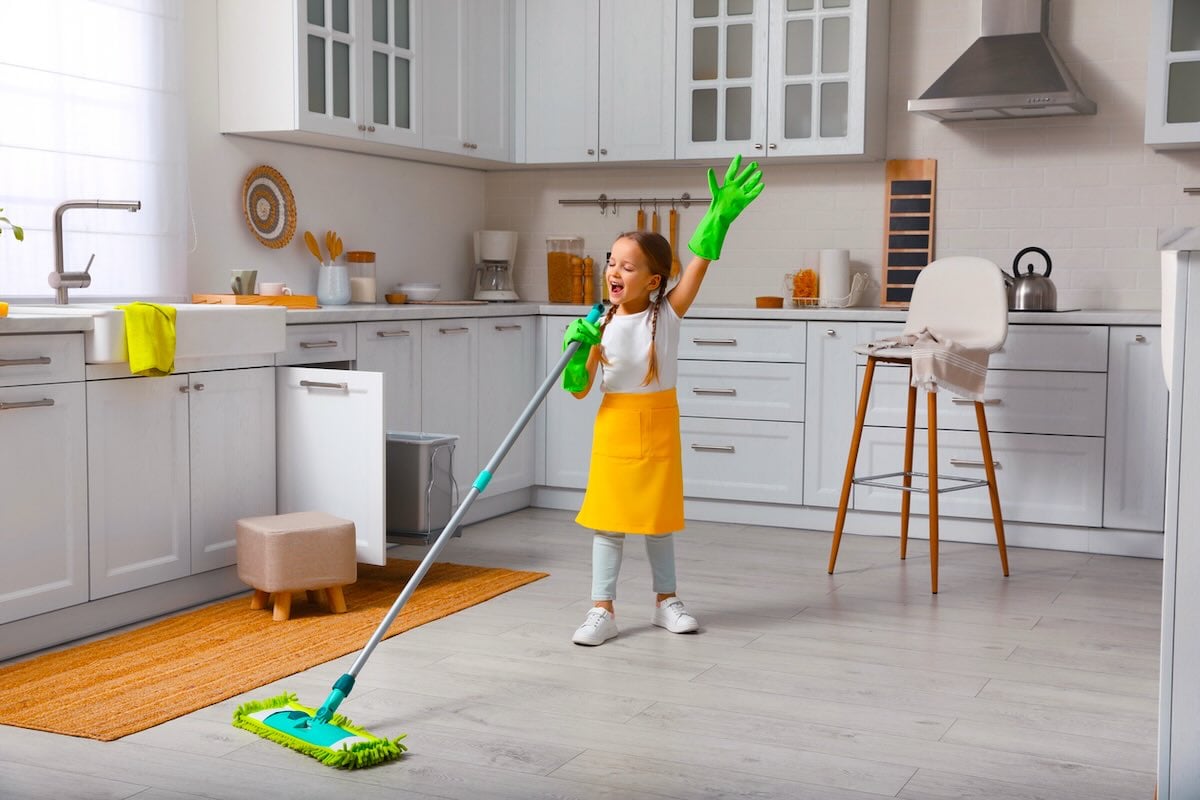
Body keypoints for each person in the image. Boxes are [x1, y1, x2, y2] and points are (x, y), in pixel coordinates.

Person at [561, 155, 764, 646]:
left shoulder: (667, 315)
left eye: (627, 266)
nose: (614, 269)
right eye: (611, 261)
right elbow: (578, 388)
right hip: (613, 428)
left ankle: (665, 602)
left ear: (653, 280)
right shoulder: (599, 323)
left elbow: (697, 266)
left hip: (657, 428)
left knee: (657, 522)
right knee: (608, 523)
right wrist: (578, 347)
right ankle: (601, 610)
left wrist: (718, 218)